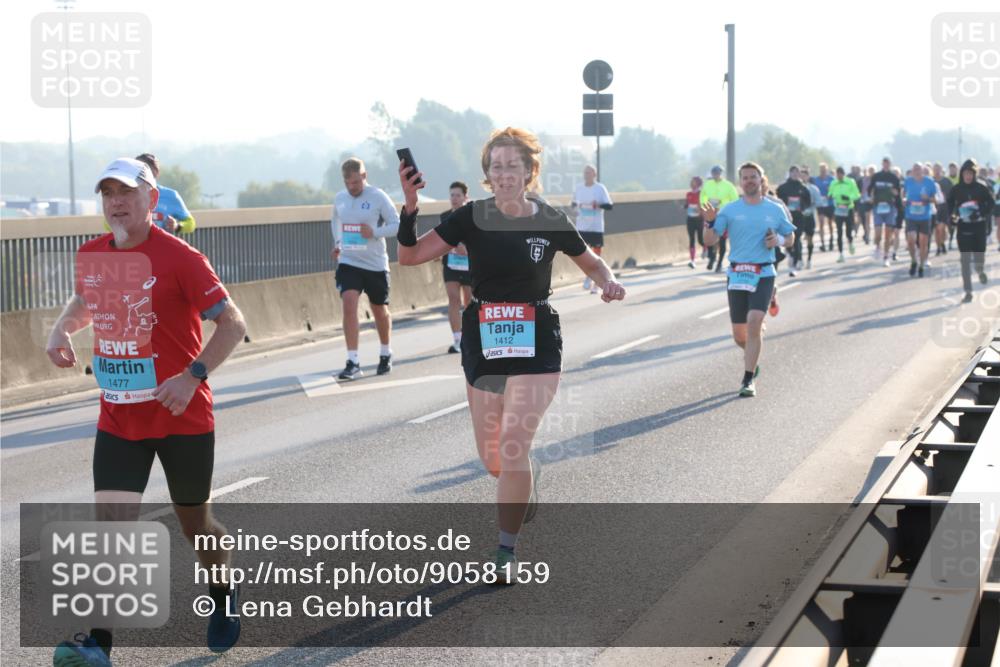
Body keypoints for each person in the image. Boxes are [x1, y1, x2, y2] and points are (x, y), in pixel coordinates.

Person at [395, 127, 625, 579]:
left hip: (536, 337)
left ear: (529, 172)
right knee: (494, 458)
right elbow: (410, 257)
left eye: (512, 166)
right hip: (483, 339)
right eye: (495, 166)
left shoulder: (549, 218)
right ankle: (521, 484)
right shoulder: (471, 217)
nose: (503, 174)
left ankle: (505, 552)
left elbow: (590, 261)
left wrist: (608, 281)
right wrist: (409, 206)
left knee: (515, 444)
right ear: (487, 173)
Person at [47, 158, 247, 666]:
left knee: (195, 524)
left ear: (151, 201)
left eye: (126, 192)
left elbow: (233, 324)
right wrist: (61, 329)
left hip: (182, 416)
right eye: (107, 192)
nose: (115, 201)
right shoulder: (92, 254)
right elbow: (85, 301)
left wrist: (191, 376)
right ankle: (98, 642)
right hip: (119, 417)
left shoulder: (182, 258)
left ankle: (223, 596)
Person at [702, 162, 796, 398]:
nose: (749, 181)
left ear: (761, 179)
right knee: (739, 335)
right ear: (740, 182)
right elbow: (710, 241)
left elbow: (791, 237)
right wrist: (709, 222)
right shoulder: (729, 210)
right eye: (745, 178)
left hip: (763, 272)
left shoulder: (774, 209)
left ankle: (747, 378)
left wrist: (779, 241)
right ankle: (752, 358)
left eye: (753, 177)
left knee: (754, 321)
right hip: (737, 274)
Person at [330, 158, 400, 379]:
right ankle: (353, 361)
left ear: (364, 176)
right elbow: (336, 222)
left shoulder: (378, 196)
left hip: (375, 264)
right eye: (349, 183)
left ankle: (385, 352)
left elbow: (397, 224)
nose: (353, 188)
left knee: (379, 309)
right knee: (349, 303)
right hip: (349, 261)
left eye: (356, 183)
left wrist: (375, 232)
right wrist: (338, 244)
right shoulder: (340, 199)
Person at [946, 159, 994, 302]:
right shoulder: (956, 189)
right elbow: (950, 203)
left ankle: (980, 271)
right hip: (964, 228)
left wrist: (980, 212)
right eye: (966, 173)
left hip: (979, 227)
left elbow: (991, 203)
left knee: (979, 257)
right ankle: (968, 291)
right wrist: (953, 216)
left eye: (971, 173)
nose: (968, 176)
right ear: (962, 174)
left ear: (974, 174)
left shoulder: (981, 187)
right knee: (965, 260)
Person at [570, 164, 614, 292]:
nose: (586, 175)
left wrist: (598, 205)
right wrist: (578, 206)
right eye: (585, 173)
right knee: (584, 253)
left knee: (596, 253)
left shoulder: (600, 188)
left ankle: (595, 282)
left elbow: (609, 206)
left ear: (594, 175)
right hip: (582, 225)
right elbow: (573, 204)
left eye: (589, 173)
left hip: (596, 226)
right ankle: (589, 276)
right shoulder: (579, 188)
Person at [442, 181, 473, 353]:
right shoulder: (444, 217)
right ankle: (457, 339)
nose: (454, 198)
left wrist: (467, 249)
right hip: (451, 264)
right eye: (452, 195)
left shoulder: (471, 216)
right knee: (454, 299)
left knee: (469, 302)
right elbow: (439, 240)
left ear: (465, 197)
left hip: (469, 265)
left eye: (457, 195)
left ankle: (469, 336)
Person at [134, 153, 196, 234]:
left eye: (143, 170)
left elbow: (191, 223)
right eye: (136, 170)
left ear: (156, 172)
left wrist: (177, 226)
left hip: (162, 245)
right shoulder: (127, 194)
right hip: (134, 246)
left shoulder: (171, 196)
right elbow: (112, 225)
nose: (139, 174)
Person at [701, 165, 740, 272]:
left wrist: (722, 204)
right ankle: (712, 258)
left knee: (722, 241)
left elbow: (734, 199)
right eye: (714, 173)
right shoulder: (707, 185)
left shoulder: (728, 186)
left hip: (724, 216)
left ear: (721, 173)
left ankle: (719, 263)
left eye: (717, 172)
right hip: (711, 216)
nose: (715, 175)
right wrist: (706, 205)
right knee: (707, 238)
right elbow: (702, 197)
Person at [903, 162, 938, 277]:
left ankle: (921, 265)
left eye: (918, 169)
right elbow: (903, 195)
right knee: (911, 240)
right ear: (912, 171)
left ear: (923, 170)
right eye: (914, 169)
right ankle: (914, 261)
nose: (916, 171)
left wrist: (927, 198)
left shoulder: (929, 182)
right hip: (911, 216)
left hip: (924, 216)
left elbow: (935, 199)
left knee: (923, 243)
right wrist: (903, 200)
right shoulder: (908, 181)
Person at [776, 166, 812, 276]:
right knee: (788, 239)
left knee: (796, 238)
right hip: (786, 217)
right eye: (793, 172)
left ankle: (795, 261)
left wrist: (803, 207)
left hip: (799, 217)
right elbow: (778, 201)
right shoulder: (783, 187)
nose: (795, 174)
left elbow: (808, 201)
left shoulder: (803, 187)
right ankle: (791, 255)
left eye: (797, 173)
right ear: (790, 173)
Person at [868, 157, 903, 267]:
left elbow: (898, 193)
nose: (886, 165)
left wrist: (895, 193)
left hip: (890, 207)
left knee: (888, 234)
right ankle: (878, 247)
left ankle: (886, 257)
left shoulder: (894, 178)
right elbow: (870, 190)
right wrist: (872, 197)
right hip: (878, 207)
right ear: (882, 164)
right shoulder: (876, 176)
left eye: (888, 163)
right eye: (884, 163)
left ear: (890, 164)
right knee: (878, 232)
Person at [829, 166, 861, 262]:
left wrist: (848, 197)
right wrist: (831, 196)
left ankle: (850, 242)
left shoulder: (850, 182)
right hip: (838, 210)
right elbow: (830, 193)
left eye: (840, 175)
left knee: (848, 231)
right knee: (839, 232)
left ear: (843, 174)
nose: (839, 177)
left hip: (848, 209)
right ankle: (841, 254)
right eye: (837, 175)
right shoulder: (833, 183)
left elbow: (857, 194)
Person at [800, 166, 822, 269]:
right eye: (801, 175)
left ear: (808, 176)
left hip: (809, 216)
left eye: (804, 175)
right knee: (797, 238)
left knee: (809, 238)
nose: (802, 177)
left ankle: (809, 259)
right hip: (798, 217)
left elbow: (819, 202)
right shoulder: (796, 188)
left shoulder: (813, 188)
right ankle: (799, 259)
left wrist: (810, 208)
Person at [811, 163, 835, 252]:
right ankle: (822, 243)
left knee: (830, 223)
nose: (823, 171)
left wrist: (830, 194)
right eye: (821, 169)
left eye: (824, 169)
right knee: (821, 223)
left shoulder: (831, 179)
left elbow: (834, 190)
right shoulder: (816, 180)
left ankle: (831, 240)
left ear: (827, 170)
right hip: (820, 204)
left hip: (830, 203)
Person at [685, 176, 705, 268]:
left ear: (698, 184)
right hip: (690, 219)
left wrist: (700, 210)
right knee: (691, 239)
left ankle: (707, 249)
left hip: (699, 219)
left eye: (694, 182)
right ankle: (692, 261)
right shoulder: (688, 194)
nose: (692, 184)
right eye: (691, 182)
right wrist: (685, 206)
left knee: (700, 240)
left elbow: (705, 205)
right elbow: (687, 204)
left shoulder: (701, 194)